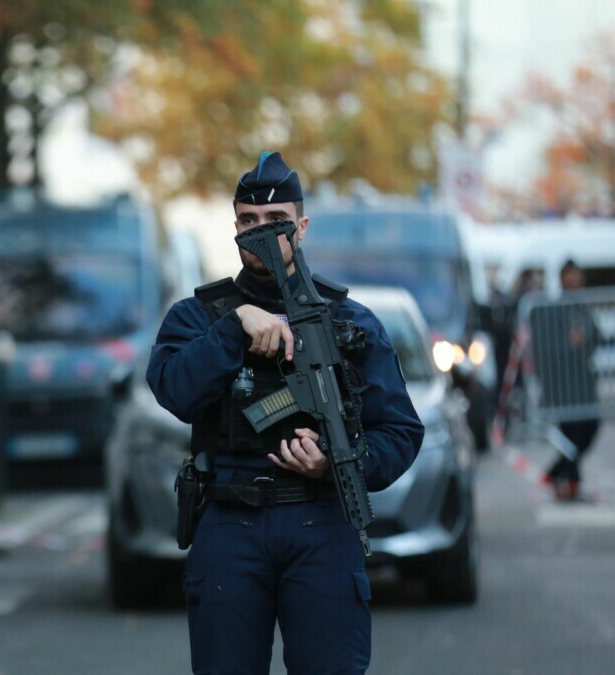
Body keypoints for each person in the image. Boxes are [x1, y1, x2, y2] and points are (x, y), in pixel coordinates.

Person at [147, 151, 424, 674]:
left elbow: (402, 431)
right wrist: (234, 328)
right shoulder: (198, 316)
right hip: (230, 522)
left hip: (321, 519)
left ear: (301, 225)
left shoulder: (349, 321)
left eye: (276, 222)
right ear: (233, 227)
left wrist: (342, 461)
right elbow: (175, 391)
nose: (262, 233)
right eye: (248, 221)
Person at [530, 260, 615, 501]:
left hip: (585, 386)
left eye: (577, 276)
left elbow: (596, 337)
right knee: (573, 436)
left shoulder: (583, 307)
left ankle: (556, 474)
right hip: (564, 388)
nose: (575, 281)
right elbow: (545, 347)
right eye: (570, 276)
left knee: (589, 430)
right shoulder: (555, 310)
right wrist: (568, 344)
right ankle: (570, 485)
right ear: (561, 279)